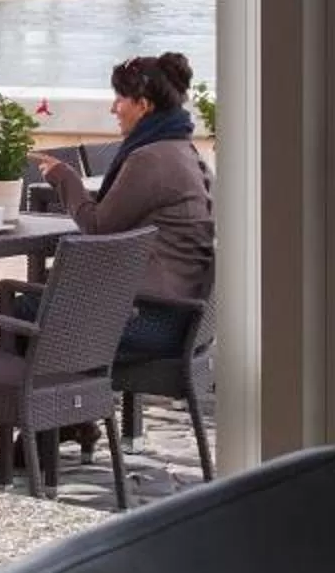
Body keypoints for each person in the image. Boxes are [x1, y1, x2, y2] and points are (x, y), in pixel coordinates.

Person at [16, 51, 215, 364]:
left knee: (25, 308)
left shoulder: (150, 158)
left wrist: (66, 178)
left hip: (154, 320)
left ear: (143, 104)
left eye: (120, 98)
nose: (113, 108)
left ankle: (51, 405)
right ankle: (72, 403)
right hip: (185, 317)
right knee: (48, 298)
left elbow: (97, 226)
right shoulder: (187, 152)